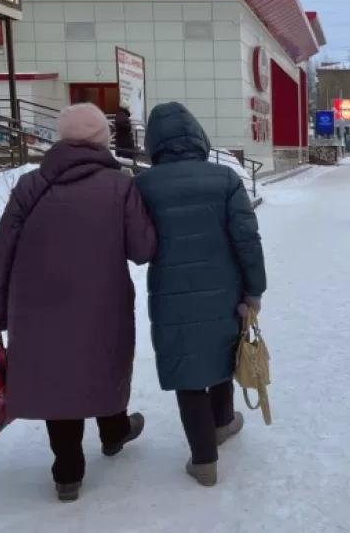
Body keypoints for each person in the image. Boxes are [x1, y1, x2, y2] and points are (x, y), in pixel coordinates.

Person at [0, 103, 157, 502]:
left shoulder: (31, 185)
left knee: (57, 377)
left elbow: (2, 251)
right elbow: (143, 249)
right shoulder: (120, 185)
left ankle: (67, 472)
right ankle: (114, 432)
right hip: (103, 302)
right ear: (103, 140)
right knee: (102, 363)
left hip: (36, 306)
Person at [134, 102, 267, 488]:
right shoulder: (225, 179)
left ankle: (204, 459)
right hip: (223, 287)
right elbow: (247, 240)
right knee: (223, 350)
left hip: (170, 292)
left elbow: (137, 244)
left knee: (187, 368)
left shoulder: (142, 185)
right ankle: (223, 421)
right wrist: (254, 288)